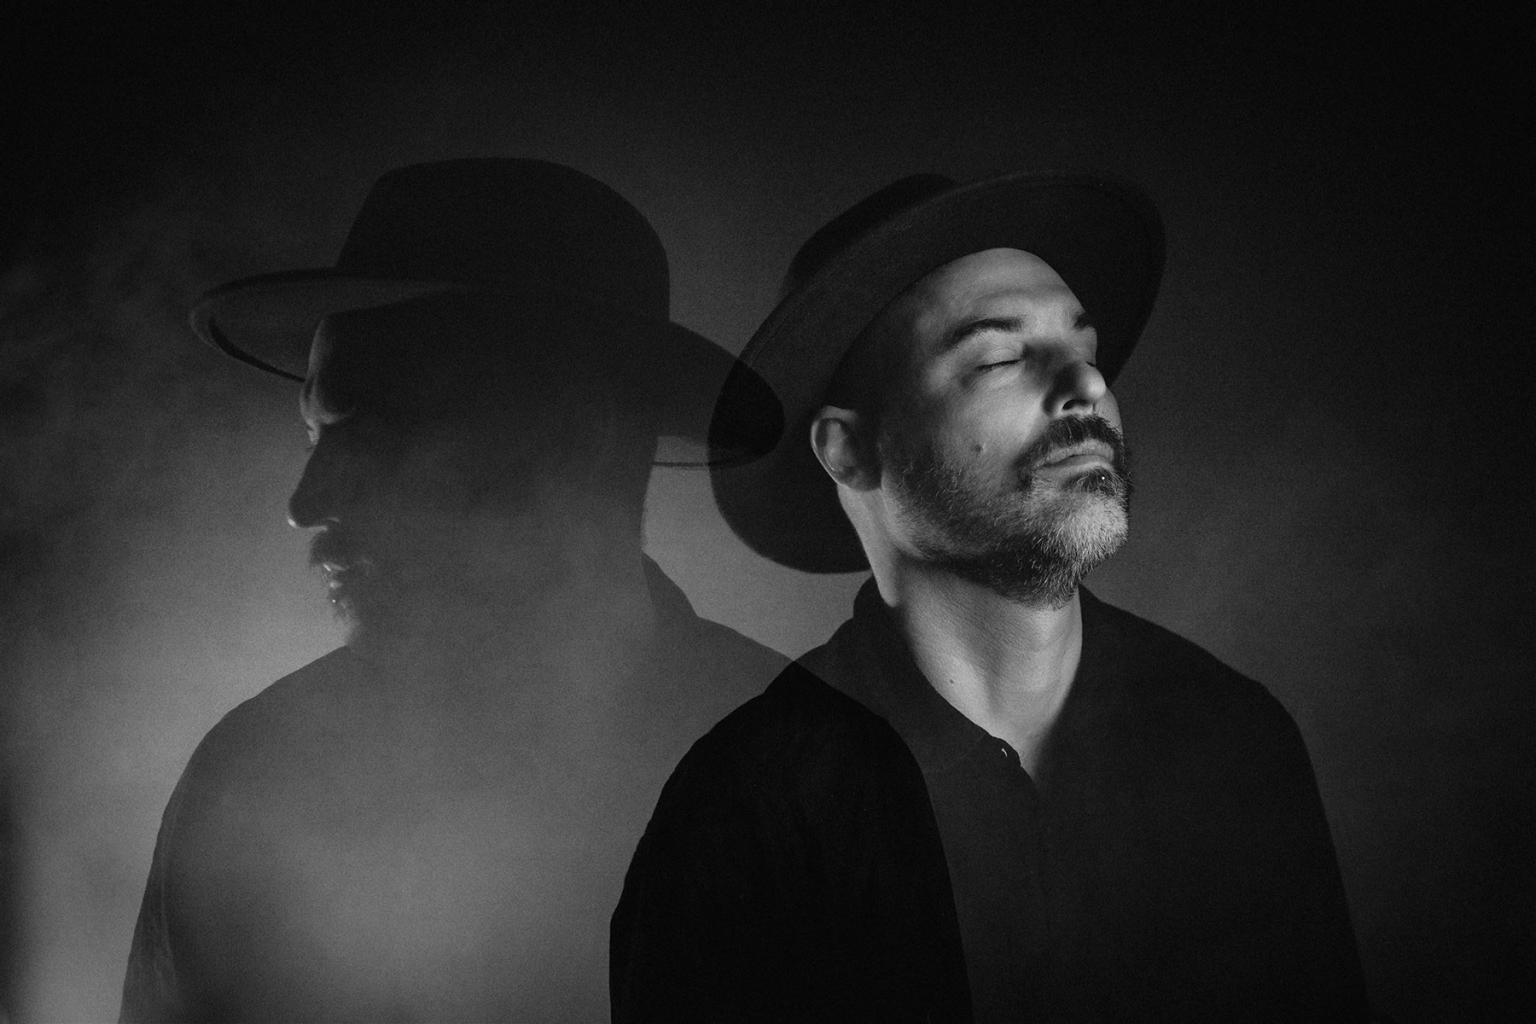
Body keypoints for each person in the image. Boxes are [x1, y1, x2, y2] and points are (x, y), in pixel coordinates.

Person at [612, 173, 1370, 1021]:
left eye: (1084, 351)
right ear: (852, 453)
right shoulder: (745, 814)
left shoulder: (1231, 736)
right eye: (1002, 357)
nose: (1087, 390)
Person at [119, 159, 786, 1022]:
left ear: (578, 432)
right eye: (315, 435)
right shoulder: (248, 779)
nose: (307, 502)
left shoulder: (808, 787)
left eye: (371, 426)